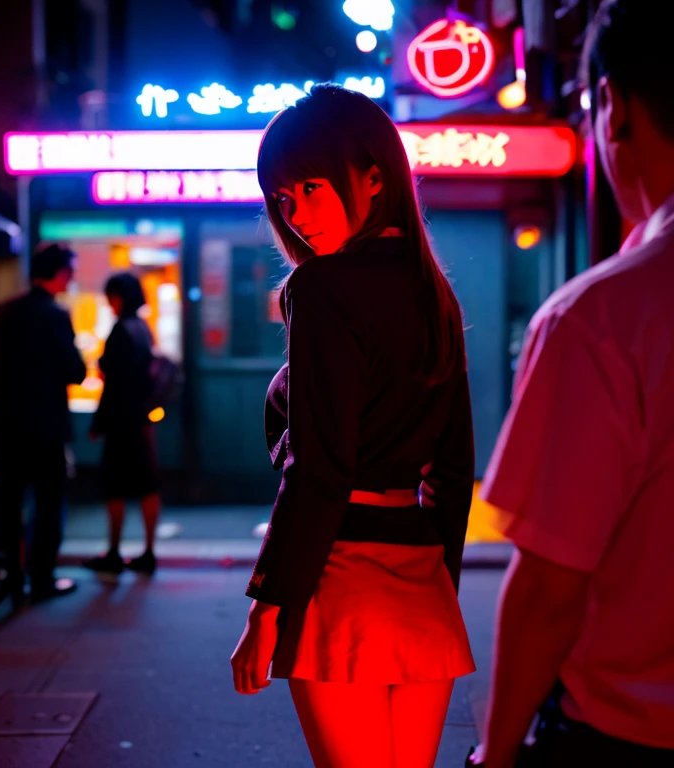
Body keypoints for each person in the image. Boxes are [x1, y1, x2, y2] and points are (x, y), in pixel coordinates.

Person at [230, 84, 476, 768]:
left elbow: (318, 467)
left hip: (341, 578)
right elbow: (453, 471)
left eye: (308, 187)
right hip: (422, 584)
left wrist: (268, 603)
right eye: (282, 198)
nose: (295, 213)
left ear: (373, 177)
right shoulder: (435, 294)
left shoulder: (320, 288)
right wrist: (440, 585)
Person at [468, 2, 674, 766]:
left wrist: (496, 753)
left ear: (613, 106)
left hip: (627, 735)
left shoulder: (602, 318)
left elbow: (549, 588)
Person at [0, 243, 86, 604]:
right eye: (71, 271)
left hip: (10, 424)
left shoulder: (4, 311)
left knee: (10, 503)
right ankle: (41, 579)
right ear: (61, 273)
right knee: (48, 505)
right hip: (47, 426)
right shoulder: (55, 315)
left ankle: (12, 579)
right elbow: (74, 371)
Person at [82, 272, 161, 576]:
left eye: (110, 296)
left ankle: (114, 551)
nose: (109, 303)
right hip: (141, 420)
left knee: (114, 486)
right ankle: (148, 551)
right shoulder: (143, 329)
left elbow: (112, 383)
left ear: (119, 297)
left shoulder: (120, 331)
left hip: (120, 421)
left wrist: (98, 423)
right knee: (147, 485)